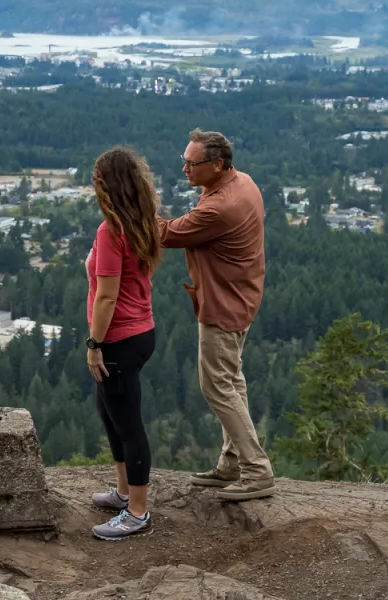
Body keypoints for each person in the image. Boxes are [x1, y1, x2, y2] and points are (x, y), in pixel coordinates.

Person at [158, 128, 275, 502]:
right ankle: (231, 464)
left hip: (223, 304)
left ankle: (256, 470)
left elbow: (165, 234)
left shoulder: (219, 207)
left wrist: (132, 206)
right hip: (240, 297)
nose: (185, 170)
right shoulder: (245, 183)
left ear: (217, 164)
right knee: (232, 381)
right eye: (184, 161)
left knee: (216, 387)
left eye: (191, 164)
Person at [84, 147, 161, 540]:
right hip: (140, 331)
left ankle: (138, 512)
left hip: (119, 337)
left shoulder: (110, 231)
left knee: (128, 424)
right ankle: (123, 492)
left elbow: (107, 296)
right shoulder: (142, 221)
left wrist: (94, 343)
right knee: (110, 411)